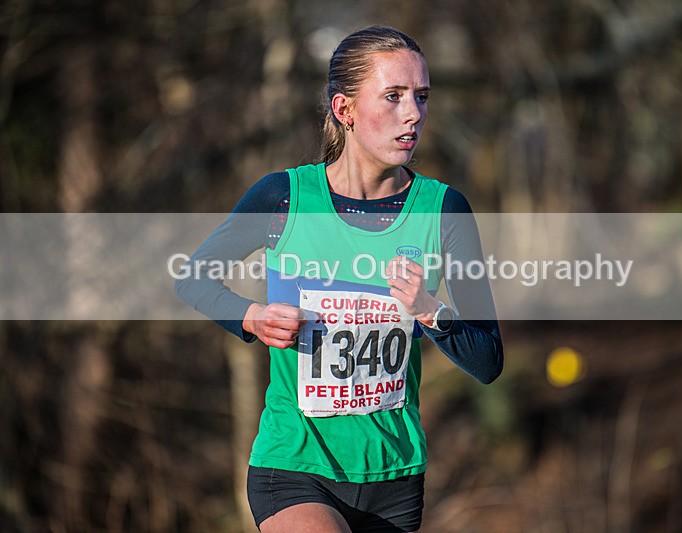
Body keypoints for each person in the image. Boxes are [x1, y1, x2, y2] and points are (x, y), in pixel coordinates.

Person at [175, 25, 503, 533]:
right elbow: (192, 277)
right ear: (344, 109)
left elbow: (487, 360)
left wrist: (429, 310)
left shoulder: (443, 211)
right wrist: (251, 316)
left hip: (394, 476)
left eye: (421, 96)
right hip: (295, 464)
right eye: (393, 97)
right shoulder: (283, 198)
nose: (413, 113)